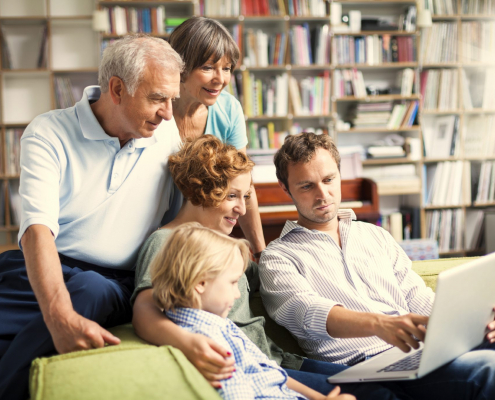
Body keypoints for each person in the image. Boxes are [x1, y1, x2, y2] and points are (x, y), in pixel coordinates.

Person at [132, 135, 406, 400]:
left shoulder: (224, 247)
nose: (242, 209)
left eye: (246, 197)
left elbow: (275, 279)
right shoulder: (168, 242)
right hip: (254, 367)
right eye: (232, 196)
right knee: (375, 394)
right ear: (200, 192)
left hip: (279, 362)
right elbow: (144, 309)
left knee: (387, 384)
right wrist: (187, 343)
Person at [0, 35, 183, 400]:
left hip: (111, 282)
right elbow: (38, 229)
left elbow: (179, 221)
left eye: (172, 100)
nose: (167, 113)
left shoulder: (166, 135)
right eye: (157, 98)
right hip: (44, 264)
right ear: (116, 89)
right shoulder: (49, 131)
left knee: (90, 290)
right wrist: (57, 313)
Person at [259, 131, 495, 400]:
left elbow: (416, 297)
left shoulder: (375, 235)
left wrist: (474, 322)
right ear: (285, 187)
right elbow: (307, 313)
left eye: (328, 179)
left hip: (419, 354)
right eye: (306, 186)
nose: (322, 194)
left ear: (340, 173)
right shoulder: (278, 257)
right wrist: (380, 324)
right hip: (363, 367)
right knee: (488, 369)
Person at [150, 222, 355, 400]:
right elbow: (238, 393)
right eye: (232, 283)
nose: (237, 294)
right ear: (200, 283)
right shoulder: (209, 341)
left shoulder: (219, 325)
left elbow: (272, 373)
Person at [168, 16, 266, 256]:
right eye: (208, 67)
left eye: (226, 68)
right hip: (162, 234)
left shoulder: (229, 109)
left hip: (207, 237)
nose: (220, 79)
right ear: (180, 65)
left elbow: (244, 185)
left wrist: (261, 252)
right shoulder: (156, 111)